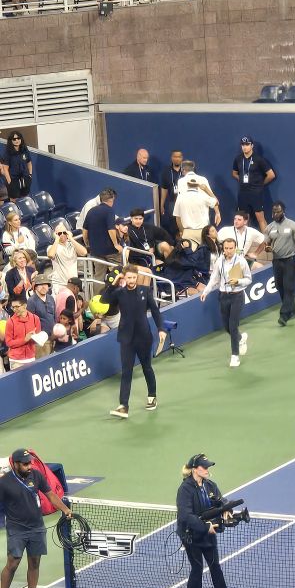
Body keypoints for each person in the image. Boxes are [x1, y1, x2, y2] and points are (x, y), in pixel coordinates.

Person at [0, 448, 73, 588]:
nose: (29, 466)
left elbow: (51, 495)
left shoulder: (37, 475)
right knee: (13, 564)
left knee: (34, 562)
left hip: (37, 527)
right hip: (16, 529)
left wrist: (65, 509)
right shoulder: (4, 482)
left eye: (30, 463)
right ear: (15, 464)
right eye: (25, 464)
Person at [176, 454, 242, 588]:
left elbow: (220, 500)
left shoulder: (210, 485)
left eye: (208, 467)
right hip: (191, 534)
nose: (207, 469)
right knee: (197, 568)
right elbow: (185, 515)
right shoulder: (185, 489)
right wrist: (206, 527)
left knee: (215, 566)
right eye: (204, 467)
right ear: (194, 469)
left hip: (208, 533)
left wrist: (227, 509)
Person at [103, 263, 166, 419]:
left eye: (133, 277)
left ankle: (152, 396)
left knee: (147, 368)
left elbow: (155, 311)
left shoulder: (145, 291)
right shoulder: (119, 293)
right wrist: (115, 282)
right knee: (126, 372)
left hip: (144, 338)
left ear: (137, 277)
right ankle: (123, 406)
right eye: (128, 277)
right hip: (126, 339)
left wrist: (161, 328)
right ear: (124, 277)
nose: (131, 280)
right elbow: (104, 300)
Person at [200, 236, 252, 367]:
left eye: (231, 248)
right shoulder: (219, 261)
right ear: (223, 248)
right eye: (226, 248)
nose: (228, 251)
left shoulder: (241, 261)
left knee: (233, 326)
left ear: (235, 248)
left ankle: (235, 356)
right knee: (227, 326)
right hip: (223, 296)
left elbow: (249, 279)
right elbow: (214, 278)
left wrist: (238, 281)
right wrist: (205, 292)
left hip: (237, 296)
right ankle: (240, 338)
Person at [263, 201, 295, 327]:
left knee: (288, 287)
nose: (275, 214)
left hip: (289, 260)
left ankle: (284, 315)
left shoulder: (292, 225)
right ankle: (293, 309)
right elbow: (267, 244)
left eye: (278, 211)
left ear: (283, 211)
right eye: (274, 212)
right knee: (279, 286)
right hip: (276, 261)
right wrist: (267, 248)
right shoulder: (269, 228)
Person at [231, 137, 275, 231]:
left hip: (256, 193)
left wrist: (260, 184)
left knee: (260, 218)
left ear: (252, 145)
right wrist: (241, 180)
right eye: (243, 145)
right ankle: (244, 239)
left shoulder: (259, 159)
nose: (245, 147)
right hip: (243, 193)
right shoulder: (238, 159)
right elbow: (234, 173)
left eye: (247, 144)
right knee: (244, 219)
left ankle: (266, 240)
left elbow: (271, 175)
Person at [82, 188, 121, 277]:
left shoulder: (91, 211)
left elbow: (84, 230)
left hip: (95, 250)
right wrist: (116, 244)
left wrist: (87, 243)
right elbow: (111, 229)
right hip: (110, 250)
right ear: (112, 199)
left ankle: (98, 287)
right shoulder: (109, 211)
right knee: (118, 273)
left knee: (99, 276)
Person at [174, 174, 220, 245]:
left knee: (189, 252)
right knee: (204, 251)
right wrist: (206, 189)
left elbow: (177, 217)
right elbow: (216, 202)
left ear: (187, 185)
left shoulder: (180, 197)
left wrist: (182, 231)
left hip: (187, 232)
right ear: (197, 185)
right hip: (203, 232)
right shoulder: (203, 196)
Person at [46, 222, 86, 295]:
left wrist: (71, 238)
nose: (62, 235)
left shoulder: (72, 245)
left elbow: (84, 252)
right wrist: (56, 239)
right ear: (55, 235)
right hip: (59, 283)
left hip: (72, 283)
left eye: (64, 233)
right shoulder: (52, 247)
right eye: (59, 233)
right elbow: (51, 255)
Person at [5, 295, 40, 368]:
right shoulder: (10, 322)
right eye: (13, 307)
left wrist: (36, 338)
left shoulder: (35, 318)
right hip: (16, 361)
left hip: (31, 358)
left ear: (25, 306)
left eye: (17, 307)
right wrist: (24, 340)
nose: (14, 309)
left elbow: (38, 338)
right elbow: (9, 343)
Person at [27, 273, 55, 357]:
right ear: (35, 287)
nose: (43, 287)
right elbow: (29, 322)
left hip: (52, 338)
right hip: (40, 341)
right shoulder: (31, 301)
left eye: (45, 284)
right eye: (40, 285)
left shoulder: (51, 298)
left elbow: (54, 316)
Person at [1, 131, 33, 199]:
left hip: (25, 178)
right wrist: (10, 182)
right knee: (14, 198)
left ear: (21, 139)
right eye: (14, 139)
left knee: (24, 198)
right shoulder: (8, 152)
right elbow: (5, 168)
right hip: (13, 179)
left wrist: (30, 175)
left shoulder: (24, 150)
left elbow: (29, 163)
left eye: (18, 138)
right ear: (11, 140)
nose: (17, 140)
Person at [159, 149, 183, 237]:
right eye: (175, 156)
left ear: (182, 158)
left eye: (179, 157)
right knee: (173, 227)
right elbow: (164, 189)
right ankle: (175, 242)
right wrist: (161, 204)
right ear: (171, 158)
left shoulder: (186, 170)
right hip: (172, 202)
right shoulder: (166, 171)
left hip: (184, 202)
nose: (177, 159)